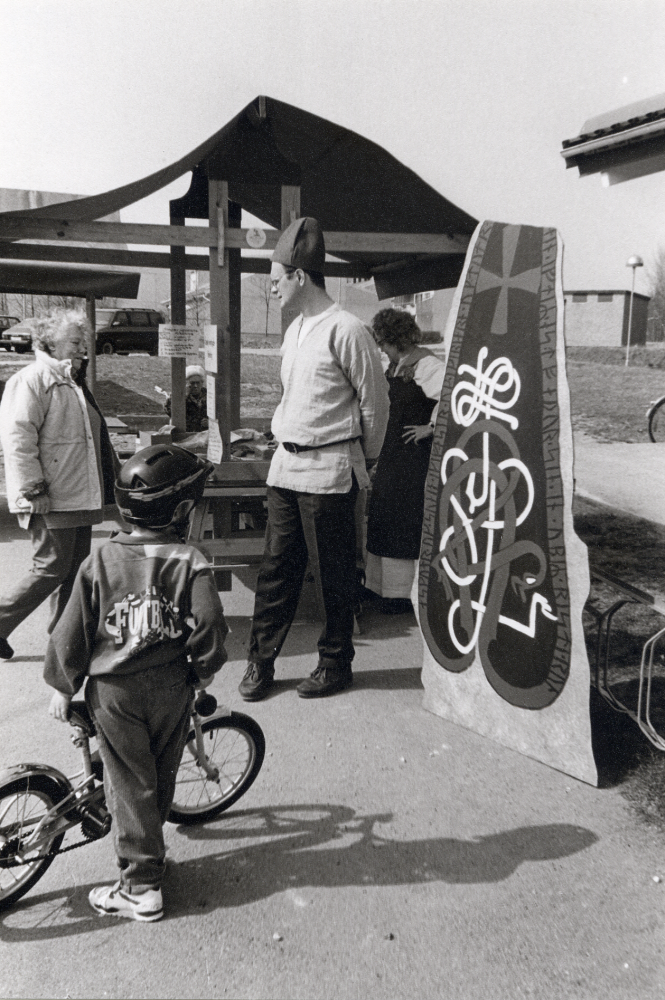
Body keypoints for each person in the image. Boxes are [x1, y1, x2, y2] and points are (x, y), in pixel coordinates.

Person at [44, 444, 229, 923]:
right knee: (158, 773)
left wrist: (62, 685)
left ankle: (141, 883)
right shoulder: (191, 560)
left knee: (129, 783)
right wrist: (203, 669)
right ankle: (146, 869)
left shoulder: (100, 560)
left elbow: (73, 628)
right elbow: (210, 625)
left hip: (114, 694)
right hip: (171, 687)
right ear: (184, 510)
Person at [239, 217, 389, 701]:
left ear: (300, 276)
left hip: (329, 472)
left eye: (277, 278)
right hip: (286, 469)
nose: (273, 287)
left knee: (333, 576)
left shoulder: (347, 330)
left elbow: (374, 405)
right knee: (276, 571)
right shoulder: (295, 330)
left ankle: (334, 663)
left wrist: (358, 459)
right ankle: (260, 662)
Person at [0, 309, 119, 659]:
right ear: (50, 342)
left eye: (85, 342)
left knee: (75, 572)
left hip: (79, 494)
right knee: (51, 568)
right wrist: (33, 489)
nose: (82, 349)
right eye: (75, 341)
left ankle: (64, 640)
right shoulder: (33, 379)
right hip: (51, 497)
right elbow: (17, 438)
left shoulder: (73, 382)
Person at [365, 308, 446, 614]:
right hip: (392, 455)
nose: (383, 351)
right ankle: (379, 587)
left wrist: (432, 427)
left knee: (403, 522)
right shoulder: (395, 366)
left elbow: (454, 398)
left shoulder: (428, 365)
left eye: (384, 344)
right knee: (383, 516)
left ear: (396, 340)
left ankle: (401, 595)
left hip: (414, 460)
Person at [163, 365, 208, 432]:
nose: (195, 386)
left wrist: (210, 423)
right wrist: (184, 396)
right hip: (185, 432)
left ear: (202, 383)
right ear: (186, 383)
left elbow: (219, 414)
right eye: (192, 383)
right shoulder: (177, 395)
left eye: (198, 383)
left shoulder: (208, 395)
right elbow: (169, 411)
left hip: (204, 432)